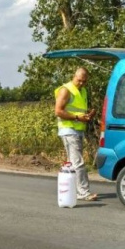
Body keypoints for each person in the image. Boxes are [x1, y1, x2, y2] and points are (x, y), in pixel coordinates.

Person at [54, 67, 98, 201]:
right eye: (79, 81)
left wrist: (88, 115)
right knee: (78, 162)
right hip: (68, 129)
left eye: (84, 82)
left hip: (78, 129)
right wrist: (78, 118)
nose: (82, 84)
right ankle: (83, 192)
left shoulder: (83, 91)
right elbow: (58, 111)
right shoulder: (65, 90)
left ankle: (72, 190)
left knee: (73, 163)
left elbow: (78, 111)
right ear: (74, 76)